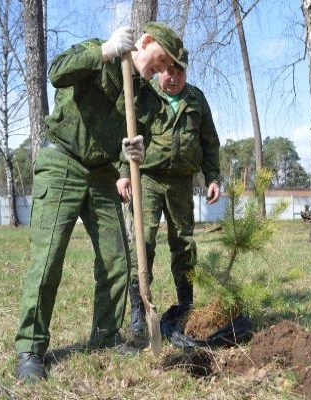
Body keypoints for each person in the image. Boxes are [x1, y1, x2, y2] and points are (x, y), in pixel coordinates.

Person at [15, 22, 186, 381]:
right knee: (48, 258)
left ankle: (105, 338)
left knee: (116, 262)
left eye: (167, 68)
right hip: (62, 160)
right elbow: (56, 73)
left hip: (103, 175)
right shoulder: (100, 52)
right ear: (147, 41)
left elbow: (142, 141)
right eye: (160, 62)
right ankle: (31, 347)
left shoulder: (147, 99)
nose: (162, 72)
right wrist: (104, 51)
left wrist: (133, 153)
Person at [118, 49, 221, 343]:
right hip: (147, 178)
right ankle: (139, 309)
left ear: (185, 72)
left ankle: (186, 306)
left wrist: (212, 177)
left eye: (179, 72)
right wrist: (124, 171)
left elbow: (209, 142)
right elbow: (126, 132)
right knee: (144, 240)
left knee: (183, 242)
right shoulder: (144, 96)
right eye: (168, 71)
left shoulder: (196, 100)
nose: (173, 77)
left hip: (181, 183)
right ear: (160, 69)